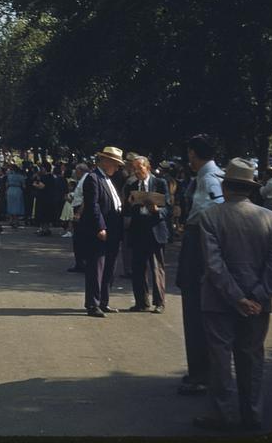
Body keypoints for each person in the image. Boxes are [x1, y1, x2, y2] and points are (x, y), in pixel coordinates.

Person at [192, 158, 272, 431]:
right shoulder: (269, 219)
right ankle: (252, 412)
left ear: (225, 185)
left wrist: (237, 297)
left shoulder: (210, 216)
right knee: (252, 358)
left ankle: (222, 414)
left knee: (220, 359)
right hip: (259, 302)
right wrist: (256, 296)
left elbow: (214, 264)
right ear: (251, 188)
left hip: (218, 300)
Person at [176, 134, 224, 396]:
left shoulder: (206, 179)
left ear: (193, 153)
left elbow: (212, 214)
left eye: (189, 153)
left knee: (195, 315)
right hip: (205, 249)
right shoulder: (216, 176)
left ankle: (201, 374)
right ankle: (203, 370)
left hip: (199, 249)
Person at [78, 146, 125, 318]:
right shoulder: (93, 178)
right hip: (100, 230)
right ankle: (93, 303)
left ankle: (103, 301)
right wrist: (100, 227)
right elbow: (93, 205)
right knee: (96, 267)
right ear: (105, 161)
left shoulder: (108, 179)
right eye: (115, 164)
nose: (118, 168)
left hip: (113, 229)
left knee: (109, 267)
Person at [123, 156, 172, 313]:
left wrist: (157, 211)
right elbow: (126, 209)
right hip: (138, 230)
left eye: (140, 168)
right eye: (134, 169)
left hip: (154, 229)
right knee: (138, 268)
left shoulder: (159, 183)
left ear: (148, 167)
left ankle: (159, 302)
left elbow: (168, 207)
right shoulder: (131, 184)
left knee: (156, 267)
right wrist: (129, 203)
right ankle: (141, 302)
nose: (137, 172)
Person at [67, 163, 90, 272]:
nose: (75, 173)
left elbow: (86, 198)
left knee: (81, 238)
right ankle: (79, 263)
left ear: (81, 171)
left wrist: (79, 213)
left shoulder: (86, 180)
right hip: (76, 207)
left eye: (76, 171)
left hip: (81, 211)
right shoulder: (81, 181)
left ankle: (83, 263)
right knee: (77, 238)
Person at [5, 164, 25, 229]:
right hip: (18, 190)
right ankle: (16, 221)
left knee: (10, 205)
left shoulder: (9, 176)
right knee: (17, 205)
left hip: (10, 190)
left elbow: (7, 184)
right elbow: (24, 185)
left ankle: (11, 220)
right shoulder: (21, 176)